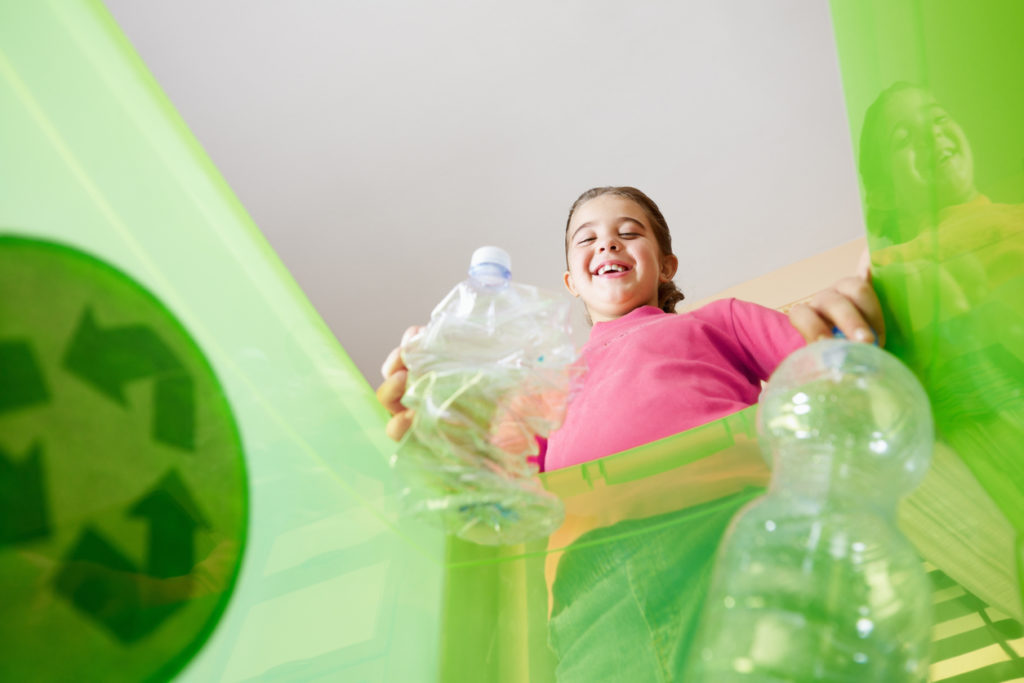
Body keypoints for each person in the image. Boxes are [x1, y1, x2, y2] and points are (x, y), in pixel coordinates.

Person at [377, 185, 883, 471]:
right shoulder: (545, 384)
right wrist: (444, 428)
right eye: (588, 240)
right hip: (599, 577)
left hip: (736, 520)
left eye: (628, 234)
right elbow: (502, 480)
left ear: (666, 266)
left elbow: (837, 366)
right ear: (572, 281)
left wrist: (858, 323)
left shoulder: (720, 320)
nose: (608, 246)